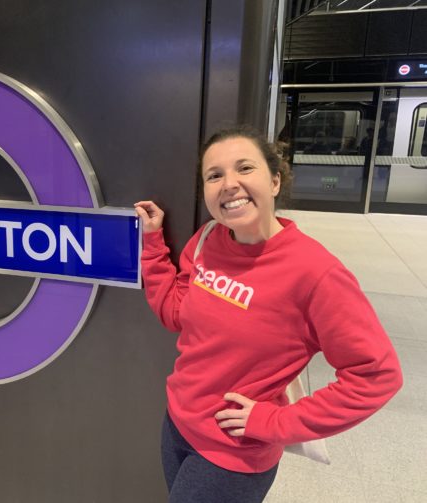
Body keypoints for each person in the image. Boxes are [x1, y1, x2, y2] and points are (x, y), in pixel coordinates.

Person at [134, 125, 402, 503]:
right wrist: (151, 243)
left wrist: (275, 422)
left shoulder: (315, 272)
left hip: (233, 455)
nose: (229, 183)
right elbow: (174, 312)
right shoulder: (207, 240)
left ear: (275, 181)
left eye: (245, 168)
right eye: (215, 175)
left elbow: (377, 375)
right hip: (177, 426)